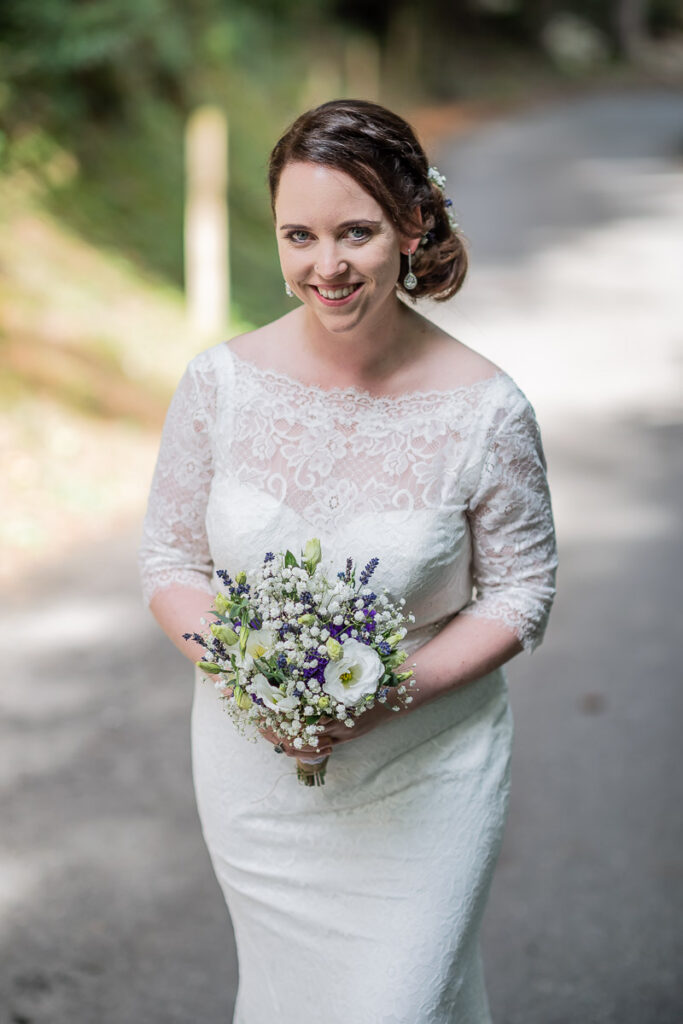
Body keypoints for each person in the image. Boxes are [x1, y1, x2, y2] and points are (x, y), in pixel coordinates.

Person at [138, 98, 558, 1024]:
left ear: (412, 226)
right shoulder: (220, 386)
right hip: (256, 776)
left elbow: (523, 588)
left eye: (355, 232)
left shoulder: (486, 410)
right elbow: (171, 558)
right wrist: (255, 680)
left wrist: (380, 690)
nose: (323, 266)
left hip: (427, 771)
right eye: (299, 235)